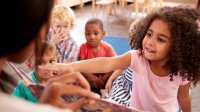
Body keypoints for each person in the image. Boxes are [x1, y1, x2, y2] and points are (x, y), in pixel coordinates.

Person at [40, 6, 200, 112]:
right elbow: (106, 63)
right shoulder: (138, 57)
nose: (150, 42)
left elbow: (184, 96)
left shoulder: (181, 71)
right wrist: (68, 67)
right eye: (149, 34)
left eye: (161, 39)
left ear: (178, 47)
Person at [0, 0, 100, 112]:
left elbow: (65, 67)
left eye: (65, 26)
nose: (61, 30)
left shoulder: (71, 45)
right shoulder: (23, 84)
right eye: (56, 26)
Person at [79, 18, 117, 95]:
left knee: (118, 76)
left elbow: (115, 65)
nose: (92, 37)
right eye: (88, 33)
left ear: (103, 34)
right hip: (89, 78)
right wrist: (93, 78)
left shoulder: (108, 48)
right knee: (78, 77)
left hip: (105, 78)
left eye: (96, 33)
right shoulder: (83, 47)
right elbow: (80, 66)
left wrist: (103, 79)